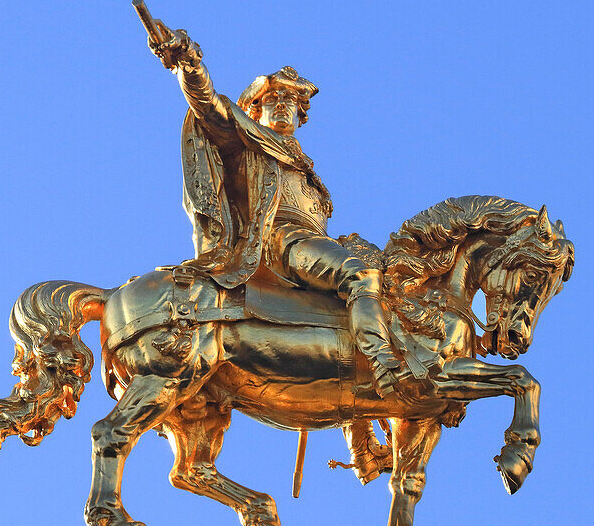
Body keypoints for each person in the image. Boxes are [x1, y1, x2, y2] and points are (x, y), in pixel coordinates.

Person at [148, 20, 409, 400]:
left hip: (307, 244)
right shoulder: (246, 141)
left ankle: (363, 441)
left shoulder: (303, 164)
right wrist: (188, 63)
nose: (284, 107)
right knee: (357, 274)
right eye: (273, 100)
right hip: (279, 242)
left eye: (292, 103)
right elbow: (209, 104)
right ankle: (383, 361)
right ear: (254, 110)